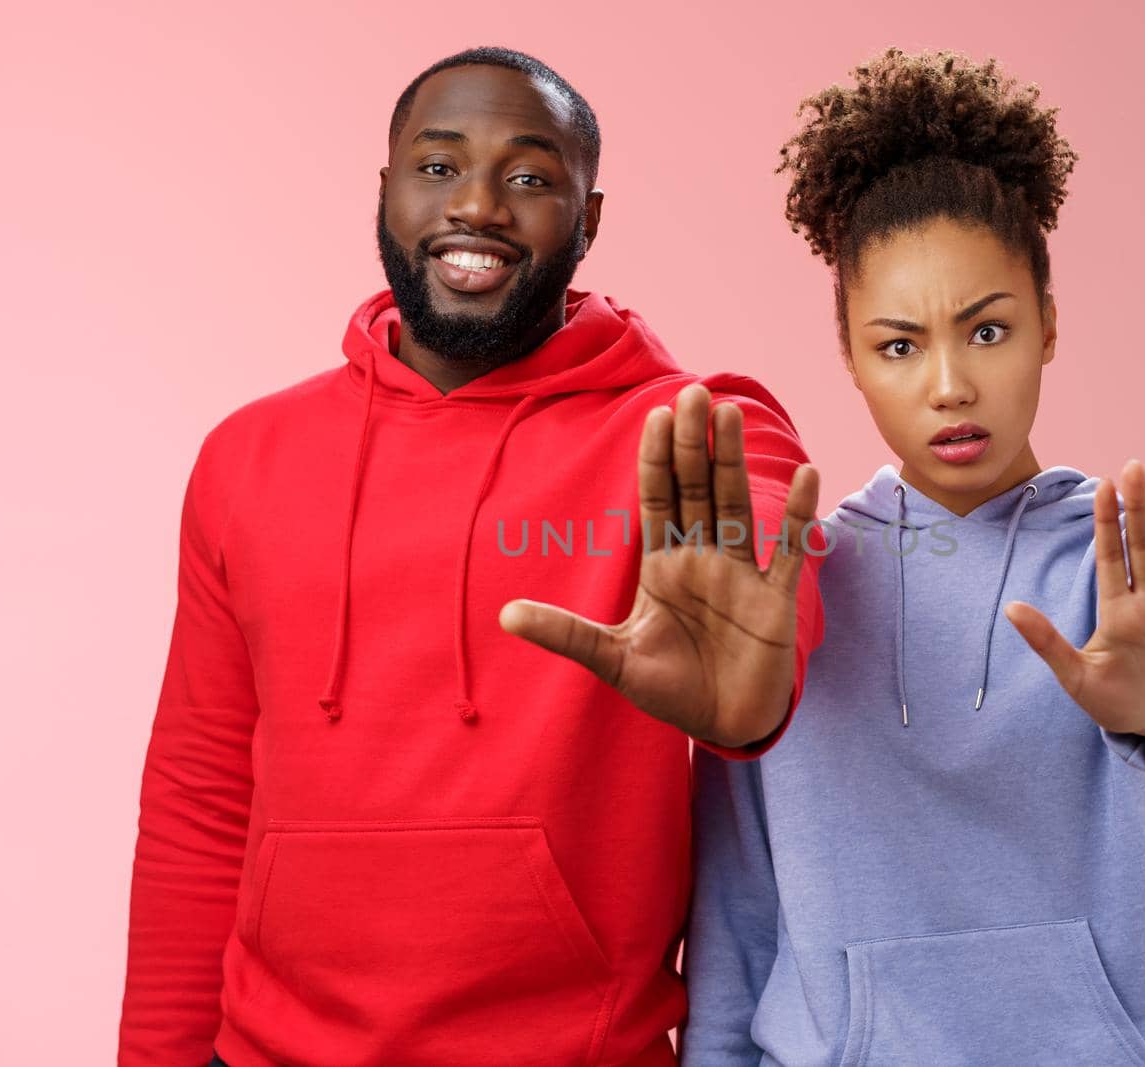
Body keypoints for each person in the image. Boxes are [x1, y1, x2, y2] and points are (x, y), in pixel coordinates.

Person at [118, 47, 824, 1067]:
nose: (480, 206)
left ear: (589, 218)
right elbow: (199, 796)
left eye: (531, 178)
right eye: (439, 166)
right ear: (386, 190)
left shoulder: (691, 431)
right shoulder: (247, 455)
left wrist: (757, 694)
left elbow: (758, 546)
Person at [680, 49, 1145, 1067]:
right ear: (847, 352)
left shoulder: (1125, 561)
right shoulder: (789, 584)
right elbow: (739, 896)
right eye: (898, 345)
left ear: (1048, 325)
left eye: (986, 329)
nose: (948, 385)